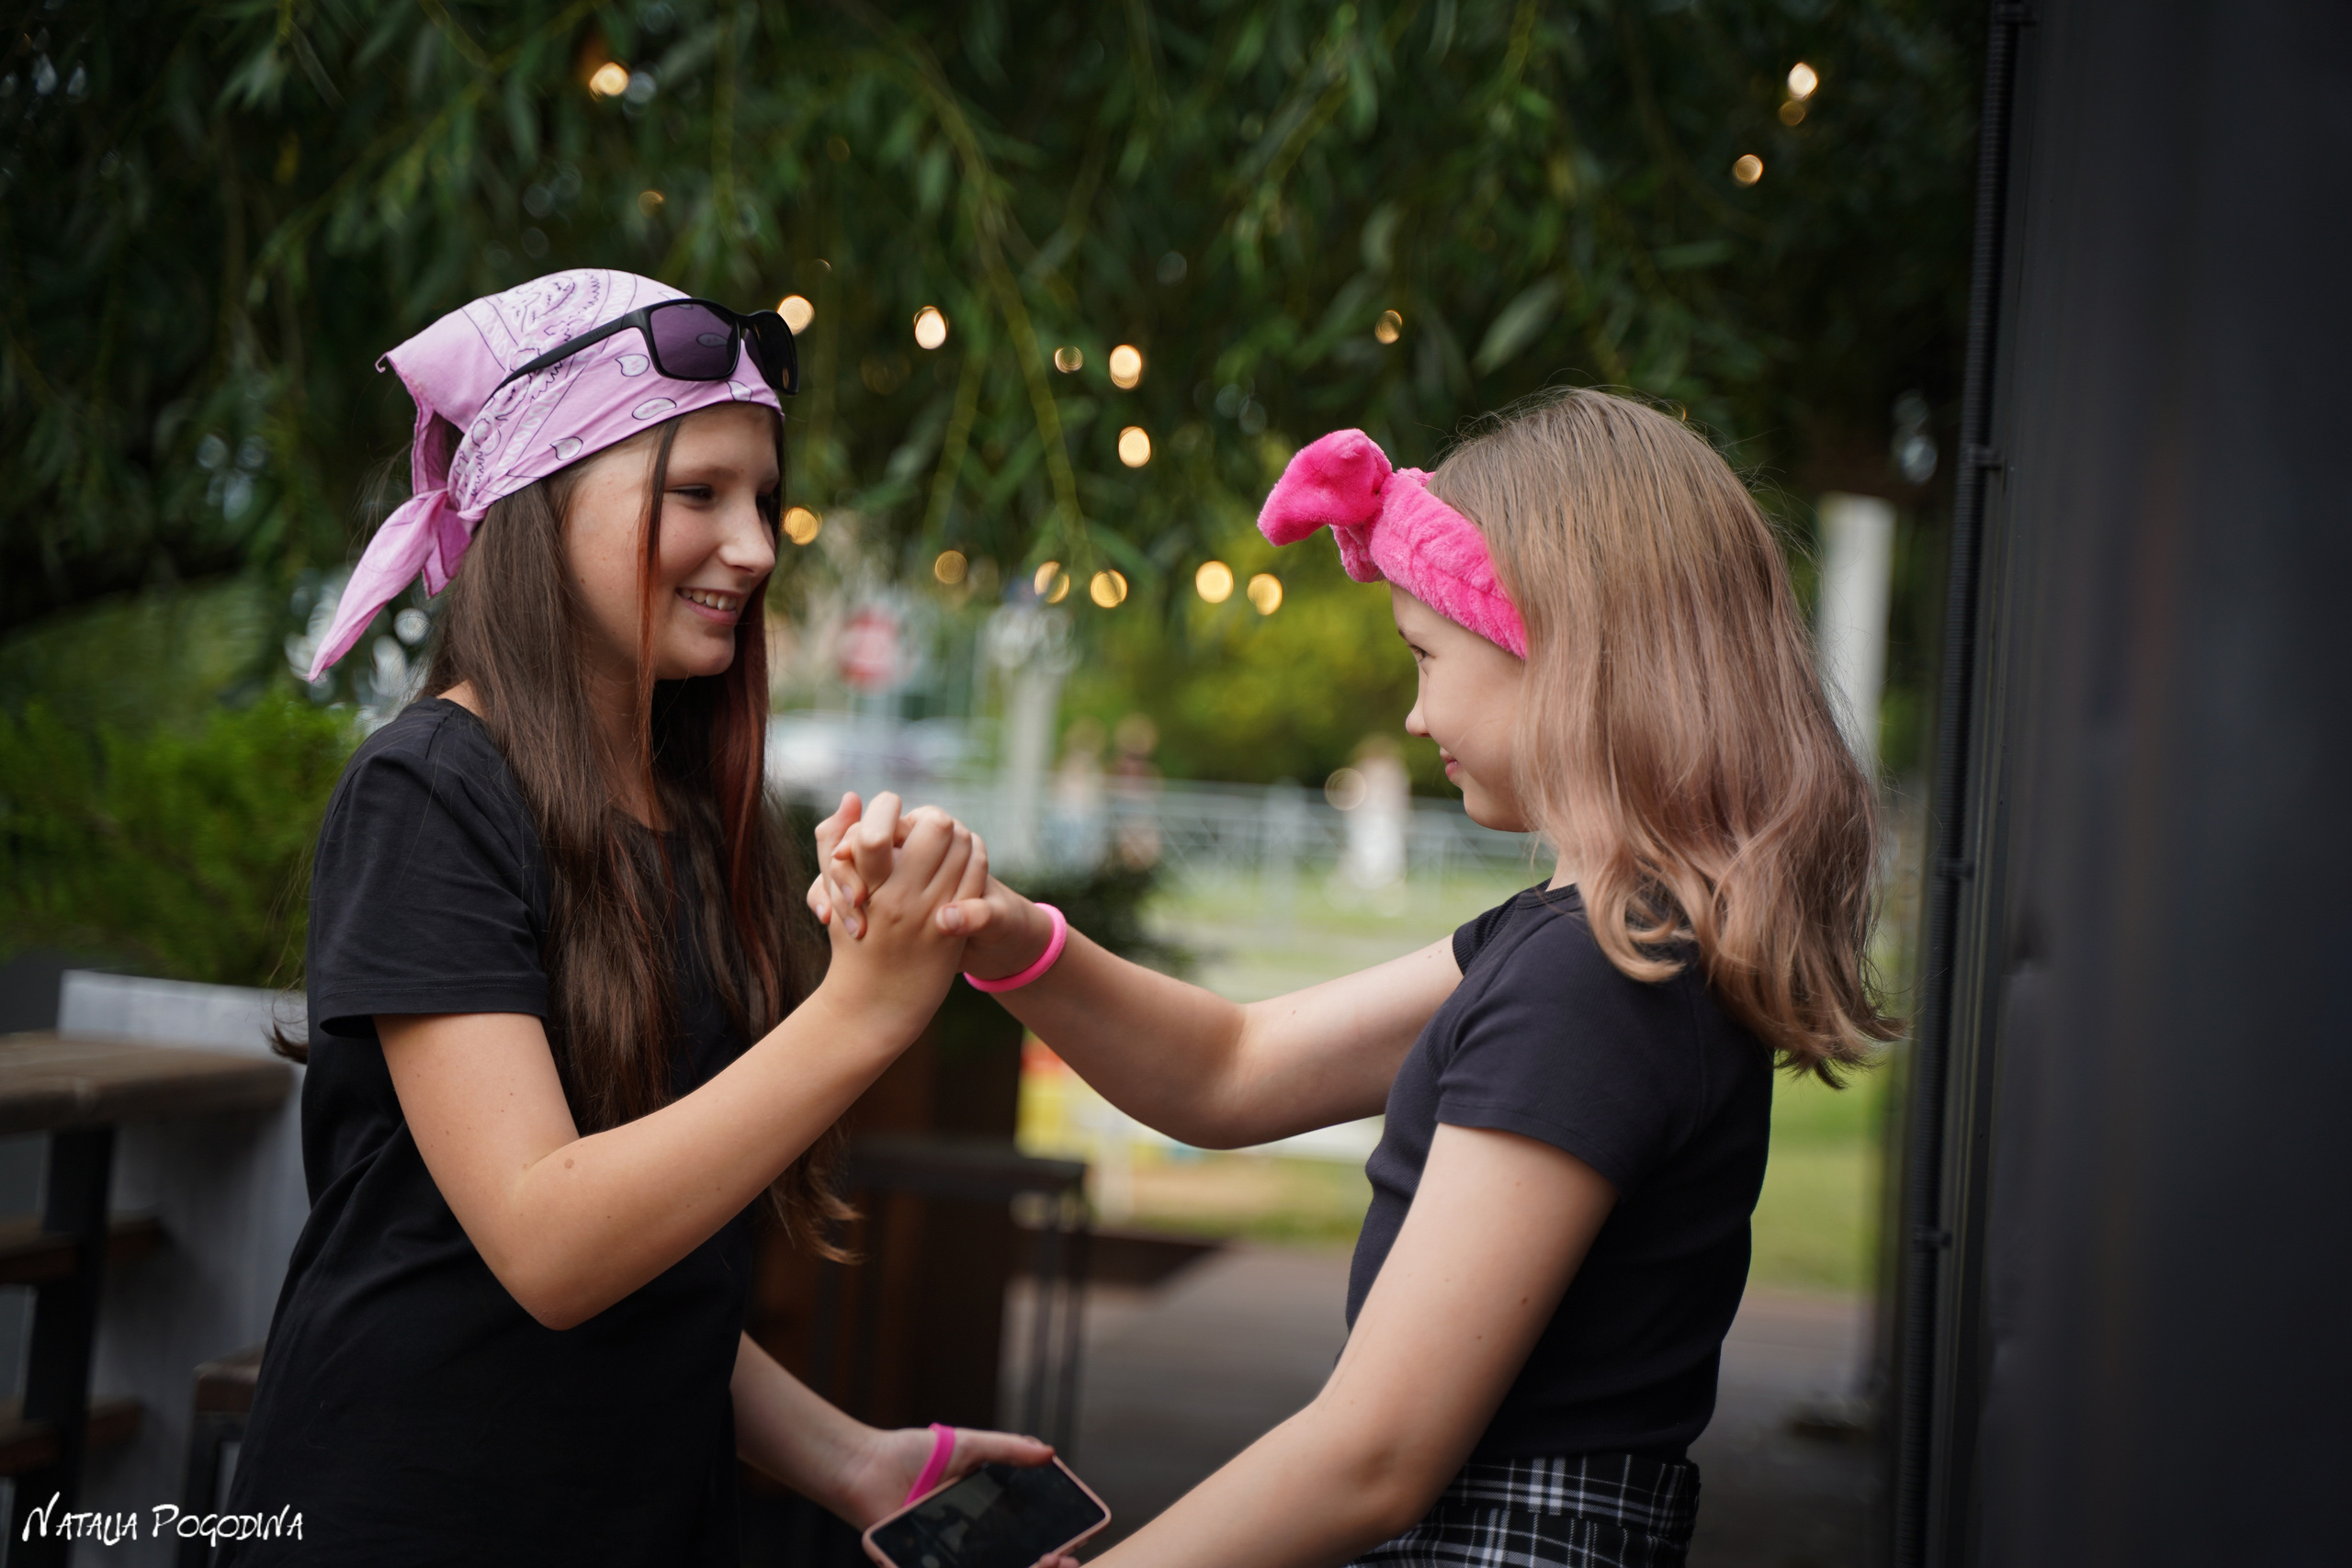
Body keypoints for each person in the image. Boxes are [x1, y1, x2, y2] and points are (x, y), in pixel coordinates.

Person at [820, 391, 1897, 1567]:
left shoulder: (1598, 983)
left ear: (1569, 650)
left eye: (1425, 655)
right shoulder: (1599, 945)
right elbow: (1233, 1070)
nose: (1414, 706)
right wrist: (1007, 935)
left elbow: (1372, 1455)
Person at [225, 270, 1053, 1565]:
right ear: (544, 502)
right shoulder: (429, 790)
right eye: (698, 492)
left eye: (766, 500)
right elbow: (552, 1242)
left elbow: (650, 1268)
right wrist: (861, 1005)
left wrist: (855, 1460)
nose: (759, 547)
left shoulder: (685, 812)